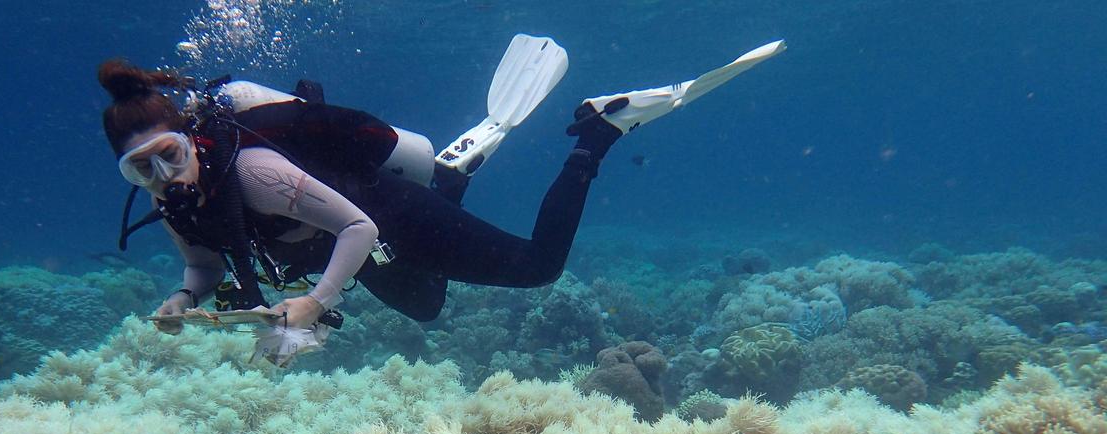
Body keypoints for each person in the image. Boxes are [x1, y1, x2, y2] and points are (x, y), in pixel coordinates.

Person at [97, 38, 785, 339]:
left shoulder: (254, 172)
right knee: (425, 307)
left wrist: (313, 301)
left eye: (167, 155)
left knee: (537, 268)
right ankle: (451, 175)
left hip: (380, 216)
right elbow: (202, 263)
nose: (163, 178)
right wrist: (183, 297)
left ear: (191, 138)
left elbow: (359, 230)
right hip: (349, 244)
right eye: (140, 170)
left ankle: (599, 133)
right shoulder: (170, 202)